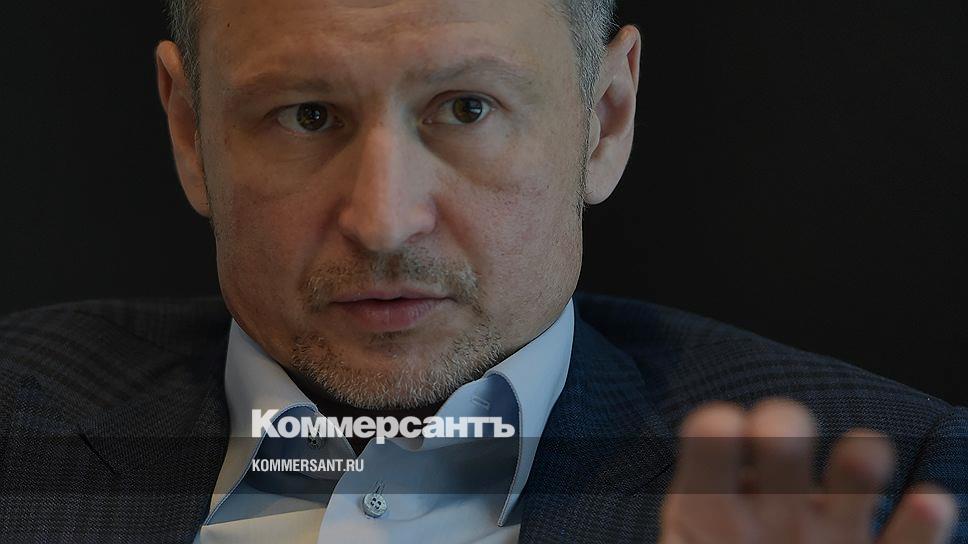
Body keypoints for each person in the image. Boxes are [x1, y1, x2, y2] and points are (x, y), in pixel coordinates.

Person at [0, 0, 964, 542]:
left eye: (467, 108)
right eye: (306, 115)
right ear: (188, 130)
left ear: (605, 120)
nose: (384, 222)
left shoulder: (895, 486)